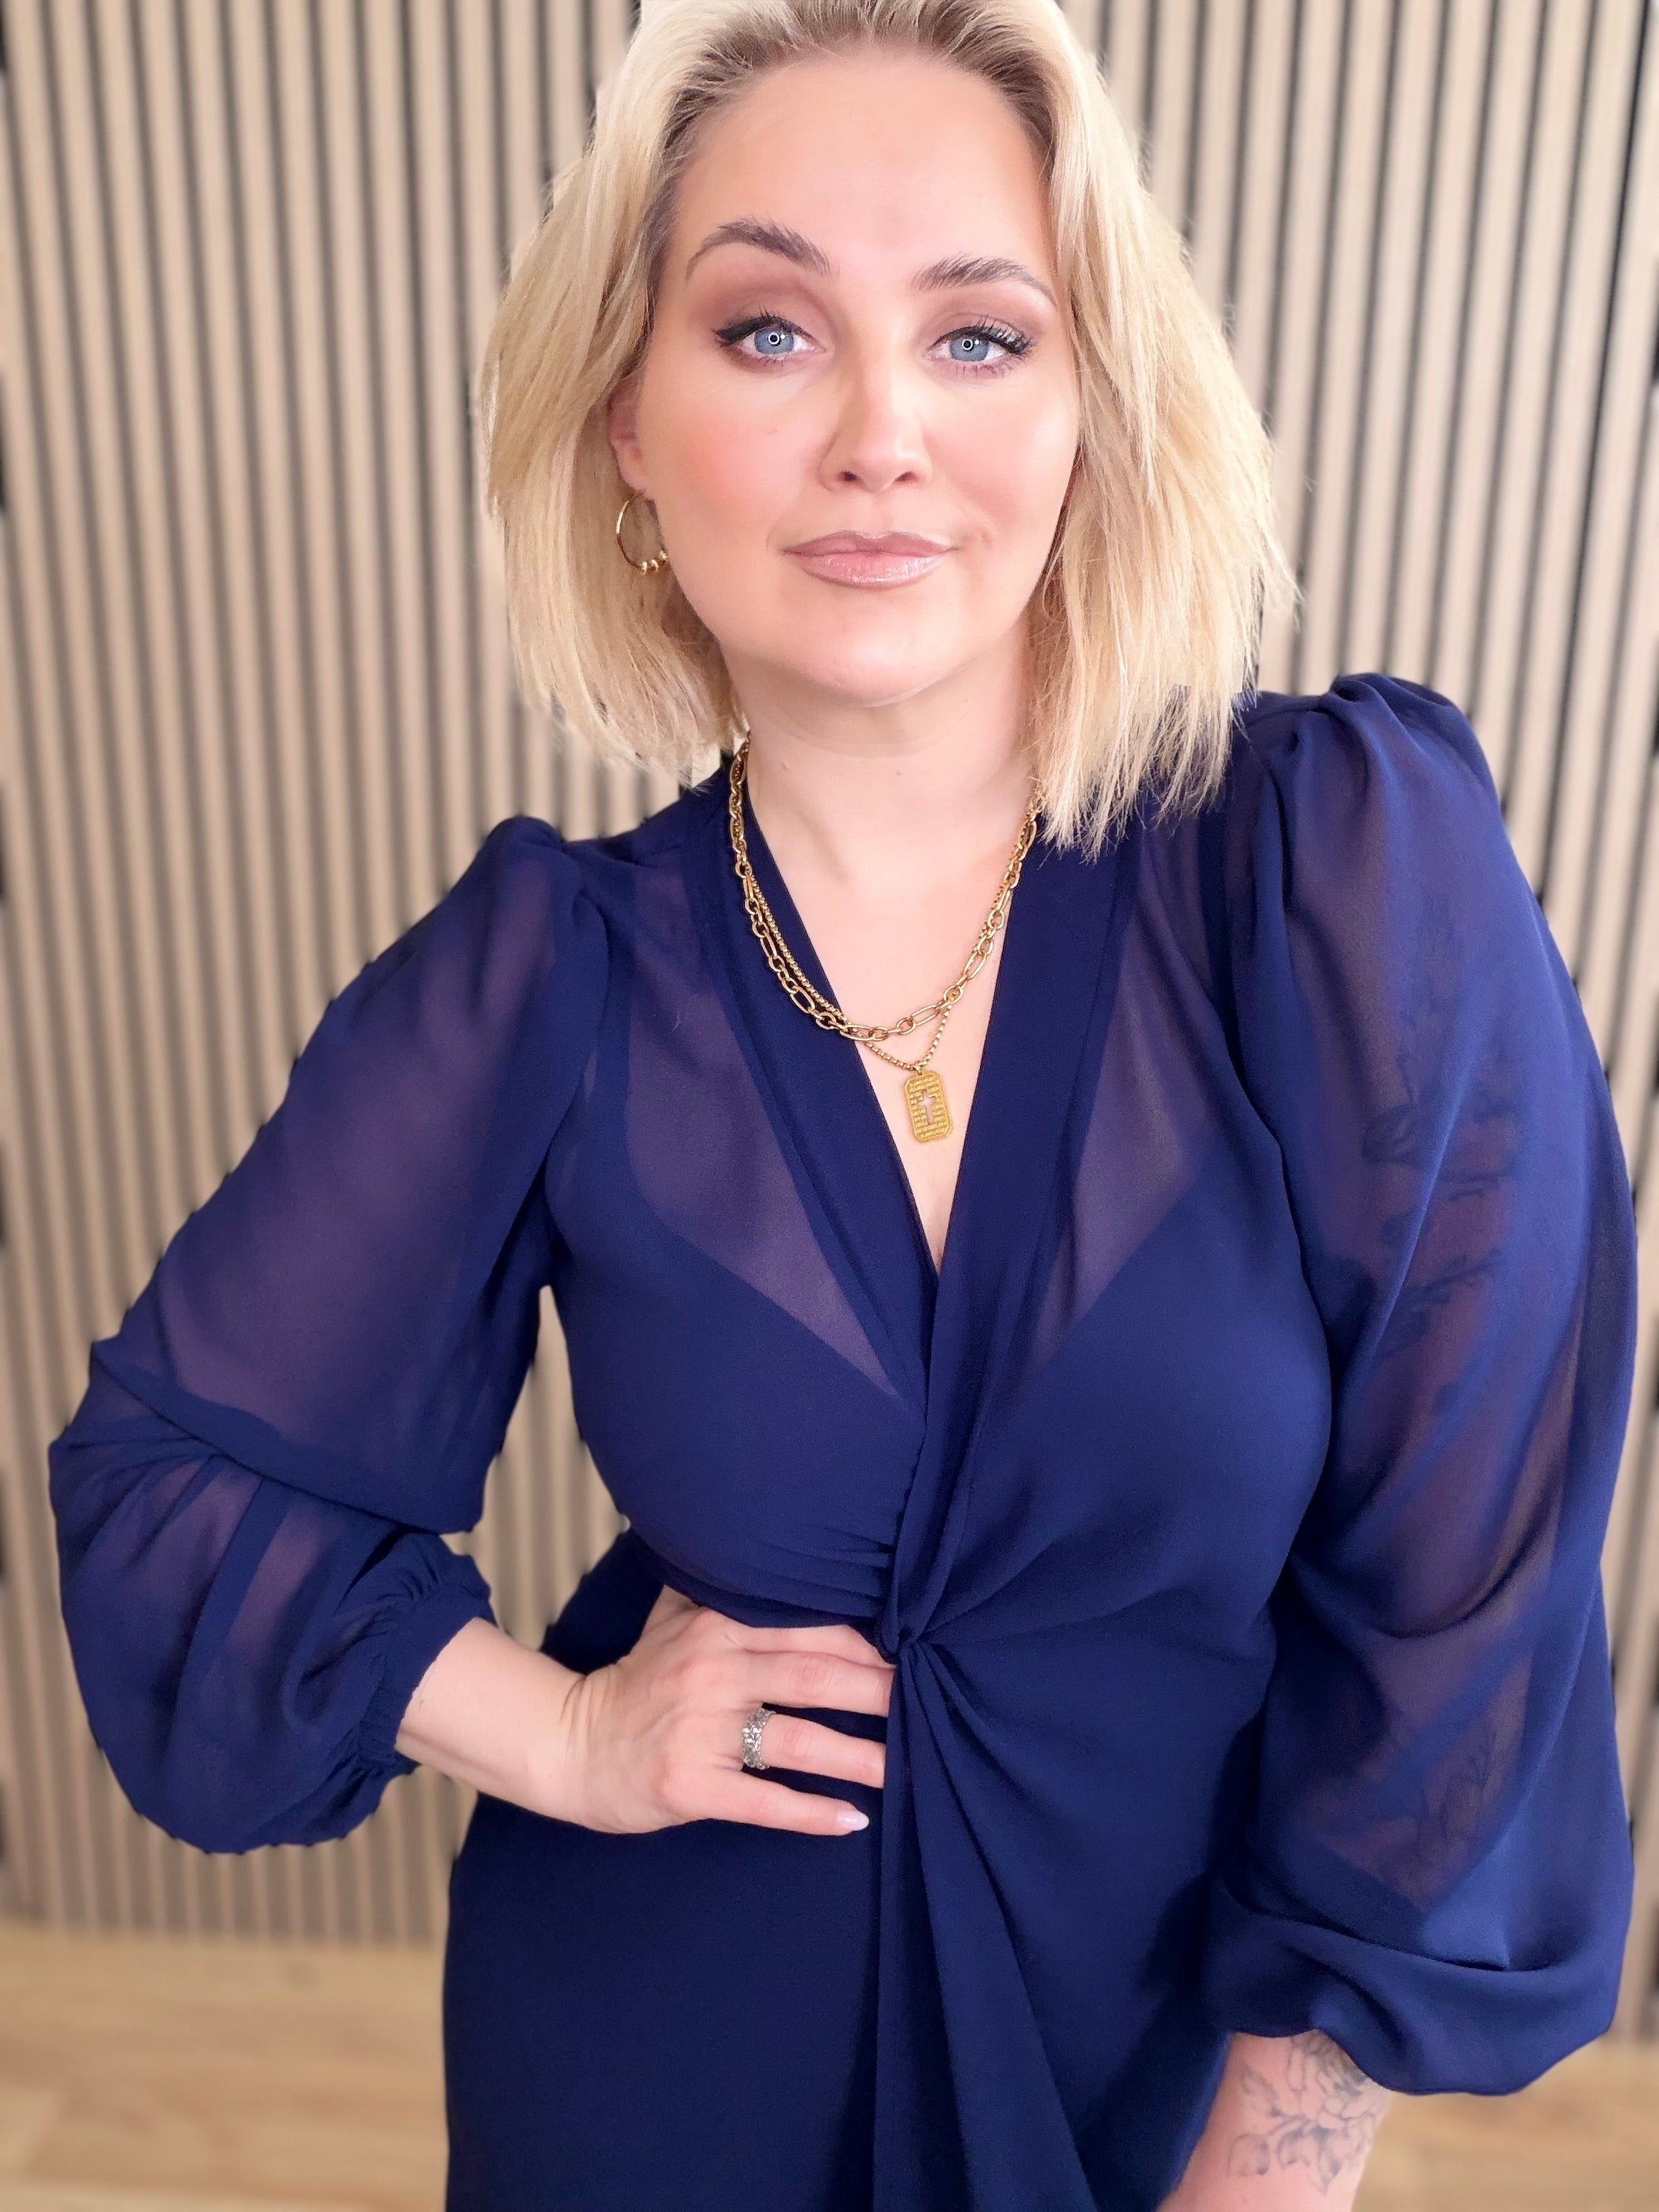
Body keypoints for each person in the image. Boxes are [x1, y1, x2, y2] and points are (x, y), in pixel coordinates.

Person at [47, 1, 1638, 2207]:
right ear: (629, 420)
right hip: (664, 2073)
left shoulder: (1333, 866)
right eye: (768, 330)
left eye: (978, 336)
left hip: (1170, 2071)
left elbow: (1471, 1573)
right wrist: (563, 1730)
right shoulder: (554, 969)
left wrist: (1276, 2161)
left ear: (1092, 406)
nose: (881, 435)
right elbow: (163, 1489)